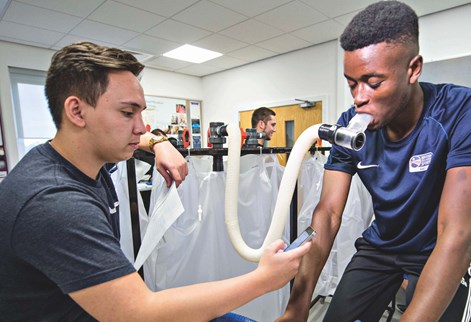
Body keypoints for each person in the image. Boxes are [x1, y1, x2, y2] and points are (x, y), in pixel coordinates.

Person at [0, 42, 311, 321]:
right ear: (76, 111)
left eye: (141, 113)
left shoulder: (77, 162)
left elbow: (142, 134)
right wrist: (265, 280)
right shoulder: (55, 202)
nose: (140, 127)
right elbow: (138, 313)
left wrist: (158, 142)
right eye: (127, 113)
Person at [277, 1, 471, 321]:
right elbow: (327, 214)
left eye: (374, 82)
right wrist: (295, 309)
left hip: (438, 248)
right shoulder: (350, 125)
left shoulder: (458, 111)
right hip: (381, 248)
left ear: (413, 69)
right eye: (352, 83)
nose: (359, 98)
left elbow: (457, 233)